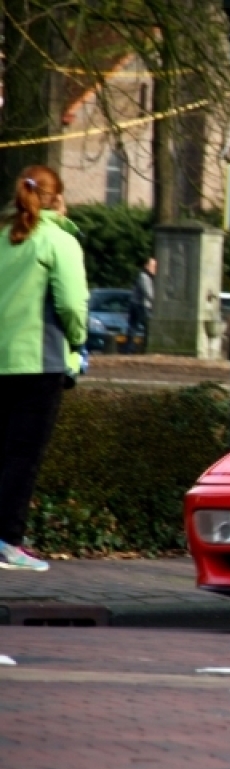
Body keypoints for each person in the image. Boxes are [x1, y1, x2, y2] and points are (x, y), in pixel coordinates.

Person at [0, 166, 88, 571]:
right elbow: (71, 304)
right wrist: (79, 339)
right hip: (40, 364)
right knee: (23, 457)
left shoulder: (3, 240)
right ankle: (8, 543)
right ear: (58, 198)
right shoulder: (59, 241)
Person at [123, 256, 155, 354]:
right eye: (152, 266)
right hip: (139, 305)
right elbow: (148, 293)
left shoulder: (148, 277)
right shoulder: (144, 277)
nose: (155, 269)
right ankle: (133, 349)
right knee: (145, 327)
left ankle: (131, 348)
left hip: (138, 304)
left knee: (134, 327)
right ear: (146, 266)